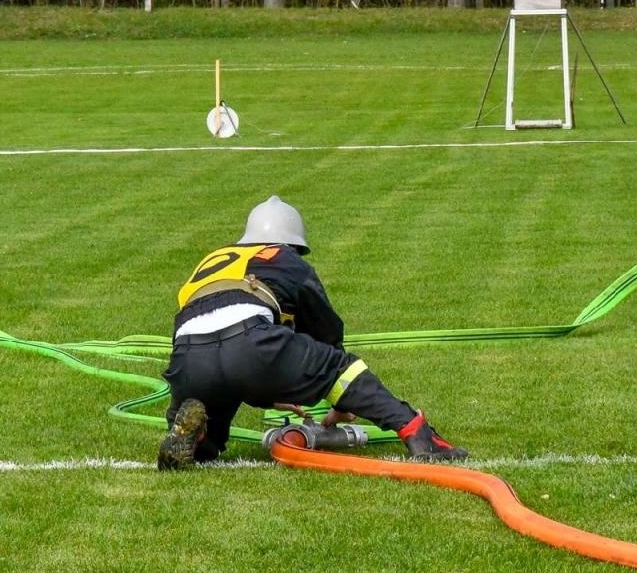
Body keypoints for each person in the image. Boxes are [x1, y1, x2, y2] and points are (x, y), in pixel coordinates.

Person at [158, 196, 468, 469]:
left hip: (188, 359)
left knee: (211, 426)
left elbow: (217, 340)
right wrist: (341, 404)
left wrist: (272, 387)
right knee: (340, 368)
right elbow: (326, 334)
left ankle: (196, 440)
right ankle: (417, 432)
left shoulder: (213, 260)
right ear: (290, 242)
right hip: (250, 343)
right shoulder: (281, 257)